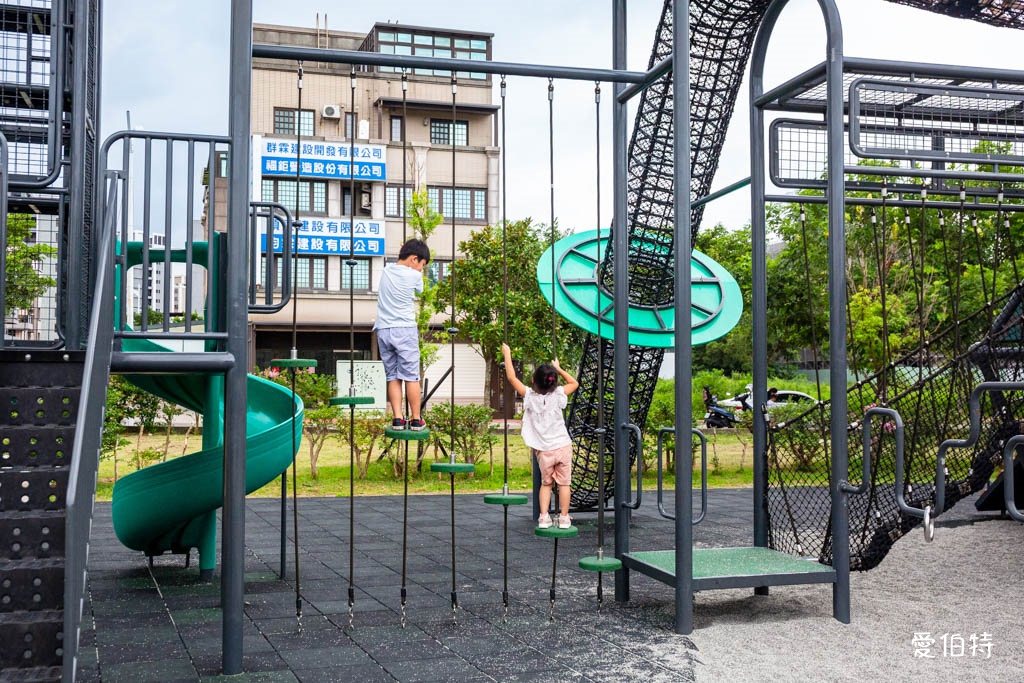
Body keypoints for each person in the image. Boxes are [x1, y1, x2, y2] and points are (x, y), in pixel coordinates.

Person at [501, 342, 579, 529]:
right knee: (564, 484)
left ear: (533, 381)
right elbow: (574, 383)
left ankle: (544, 517)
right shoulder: (559, 394)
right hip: (563, 446)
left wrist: (507, 354)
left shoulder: (528, 396)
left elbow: (511, 378)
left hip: (544, 451)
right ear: (554, 382)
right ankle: (564, 518)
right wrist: (559, 369)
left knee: (546, 484)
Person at [374, 239, 430, 430]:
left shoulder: (386, 271)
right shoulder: (414, 276)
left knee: (392, 376)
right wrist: (417, 276)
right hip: (404, 329)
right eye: (422, 265)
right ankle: (416, 419)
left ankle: (397, 419)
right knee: (411, 376)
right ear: (414, 259)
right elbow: (421, 292)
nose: (421, 270)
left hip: (383, 329)